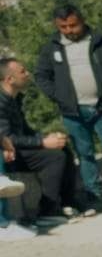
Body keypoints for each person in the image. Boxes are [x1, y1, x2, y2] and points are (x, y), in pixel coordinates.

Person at [35, 5, 102, 211]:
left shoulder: (101, 41)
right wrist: (60, 97)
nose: (69, 30)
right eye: (63, 27)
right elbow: (42, 76)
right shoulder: (52, 47)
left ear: (82, 21)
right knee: (84, 153)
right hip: (73, 112)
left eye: (73, 25)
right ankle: (94, 198)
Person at [1, 57, 88, 222]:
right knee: (54, 157)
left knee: (62, 148)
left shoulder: (15, 99)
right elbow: (6, 138)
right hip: (6, 155)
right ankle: (48, 211)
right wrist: (42, 143)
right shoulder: (1, 102)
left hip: (18, 150)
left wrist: (48, 137)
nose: (28, 74)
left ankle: (68, 203)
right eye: (22, 72)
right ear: (10, 79)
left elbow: (25, 131)